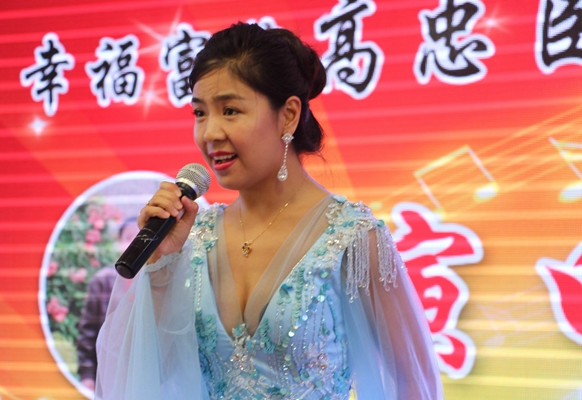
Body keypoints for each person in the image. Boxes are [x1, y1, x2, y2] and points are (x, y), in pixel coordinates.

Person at [95, 23, 443, 400]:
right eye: (199, 113)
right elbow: (141, 377)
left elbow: (412, 383)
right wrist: (162, 264)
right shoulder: (191, 236)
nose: (210, 133)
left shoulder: (354, 239)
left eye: (230, 110)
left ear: (288, 115)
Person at [76, 217, 138, 391]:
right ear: (119, 242)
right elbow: (88, 332)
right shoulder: (102, 280)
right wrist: (87, 375)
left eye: (139, 238)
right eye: (128, 238)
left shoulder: (158, 280)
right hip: (107, 373)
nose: (134, 244)